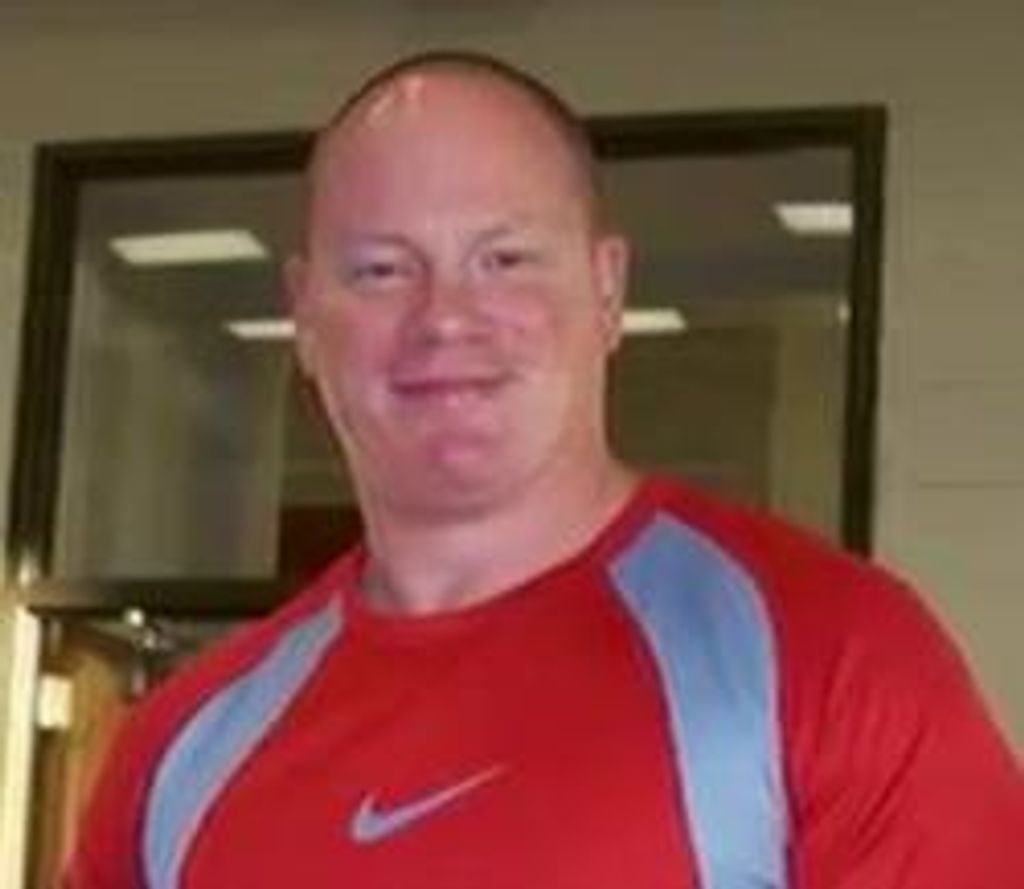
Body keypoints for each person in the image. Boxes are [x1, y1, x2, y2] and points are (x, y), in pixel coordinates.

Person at [66, 52, 1023, 889]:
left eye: (506, 259)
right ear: (306, 315)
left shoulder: (831, 662)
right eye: (381, 270)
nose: (446, 318)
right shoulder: (181, 751)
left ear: (607, 288)